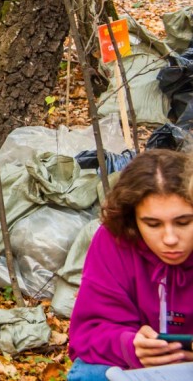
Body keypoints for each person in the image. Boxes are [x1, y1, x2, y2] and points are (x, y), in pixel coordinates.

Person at [68, 149, 193, 380]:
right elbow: (86, 334)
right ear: (132, 221)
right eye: (153, 224)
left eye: (184, 222)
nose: (170, 239)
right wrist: (130, 345)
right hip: (136, 368)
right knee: (87, 373)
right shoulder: (114, 240)